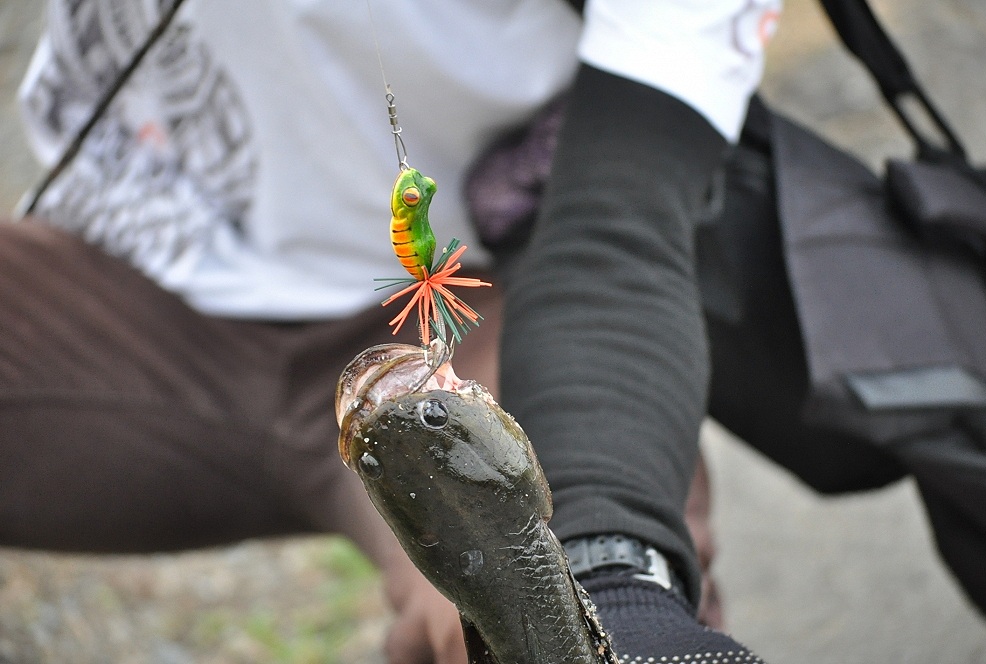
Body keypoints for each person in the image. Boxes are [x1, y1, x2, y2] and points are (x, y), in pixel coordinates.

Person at [5, 0, 781, 662]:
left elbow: (618, 234)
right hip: (134, 293)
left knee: (543, 610)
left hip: (495, 311)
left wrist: (607, 584)